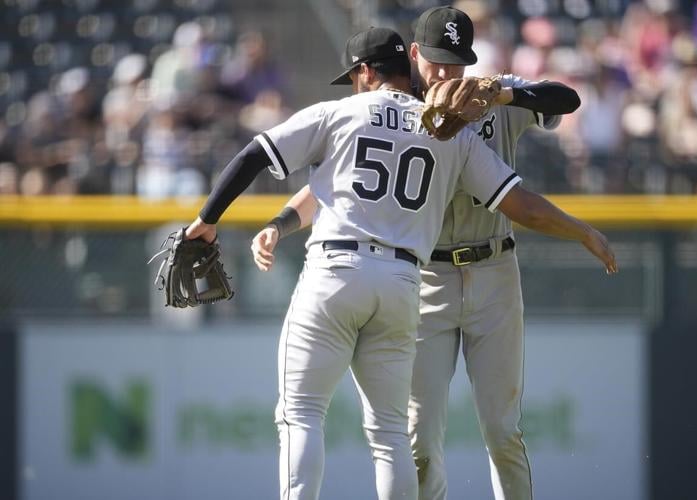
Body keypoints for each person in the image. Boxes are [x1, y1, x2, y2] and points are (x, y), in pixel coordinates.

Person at [188, 25, 614, 500]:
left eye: (458, 60)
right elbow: (519, 202)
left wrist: (500, 93)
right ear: (412, 57)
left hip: (418, 268)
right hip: (413, 278)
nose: (448, 70)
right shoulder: (439, 128)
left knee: (309, 412)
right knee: (402, 436)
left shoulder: (369, 110)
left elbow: (565, 100)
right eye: (437, 59)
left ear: (365, 72)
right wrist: (282, 223)